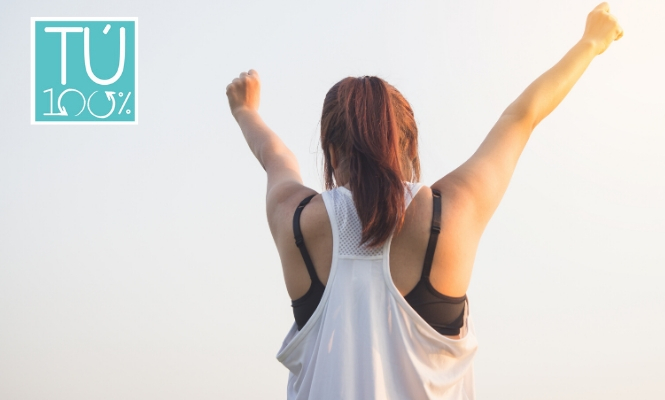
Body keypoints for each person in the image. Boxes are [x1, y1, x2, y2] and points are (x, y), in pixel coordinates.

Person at [225, 3, 623, 399]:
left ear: (330, 152)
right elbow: (521, 117)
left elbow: (276, 157)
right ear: (410, 145)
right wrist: (590, 42)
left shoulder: (296, 222)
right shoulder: (451, 214)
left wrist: (245, 110)